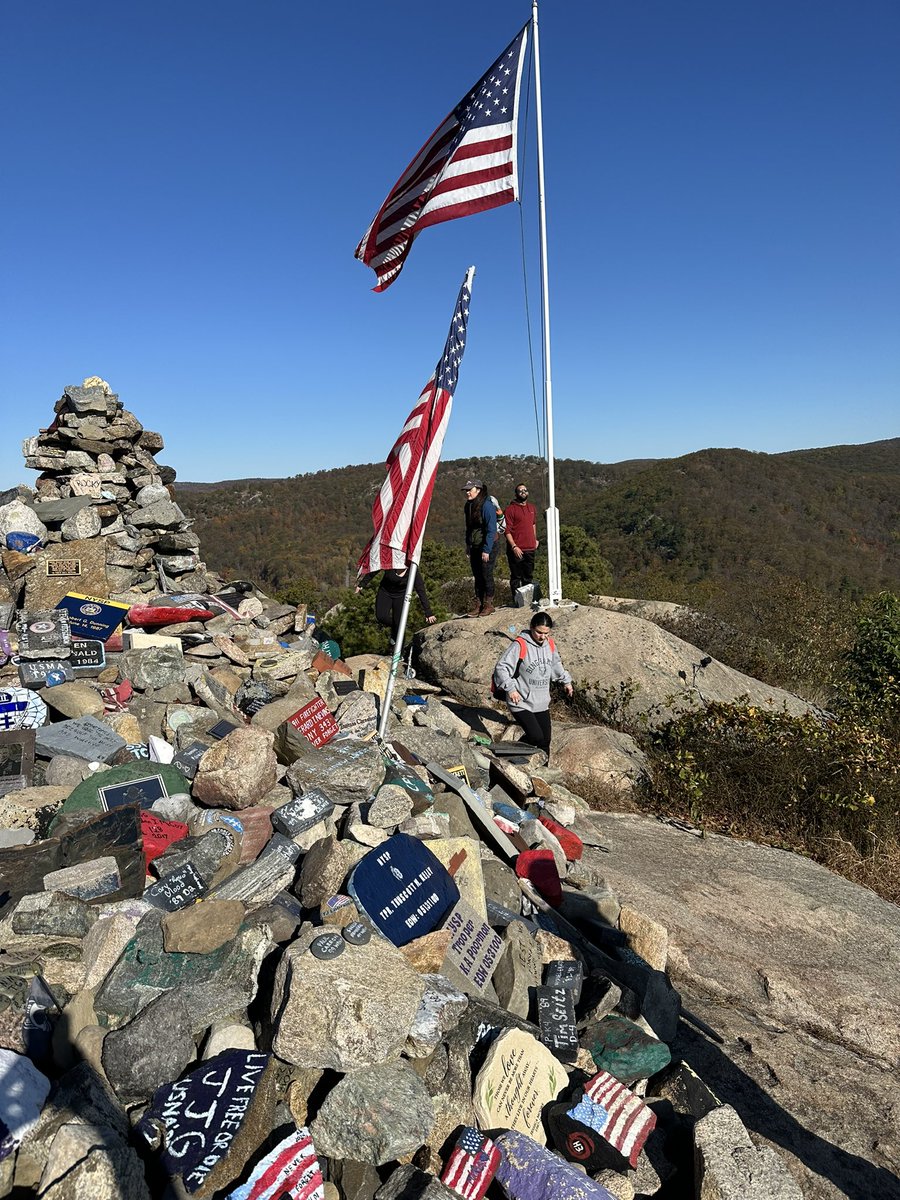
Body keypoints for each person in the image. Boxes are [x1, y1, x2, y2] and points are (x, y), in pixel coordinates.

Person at [492, 611, 573, 756]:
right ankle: (506, 755)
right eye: (539, 632)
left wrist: (566, 681)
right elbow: (501, 667)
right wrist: (511, 689)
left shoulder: (550, 645)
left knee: (545, 741)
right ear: (531, 627)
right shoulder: (520, 645)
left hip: (541, 701)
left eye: (546, 633)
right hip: (520, 700)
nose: (543, 637)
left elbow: (556, 664)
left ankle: (542, 771)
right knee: (536, 736)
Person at [356, 563, 436, 646]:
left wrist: (428, 612)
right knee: (381, 616)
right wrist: (362, 584)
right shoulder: (391, 563)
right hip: (385, 592)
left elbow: (421, 590)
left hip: (401, 596)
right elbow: (375, 569)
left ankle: (399, 653)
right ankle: (395, 628)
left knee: (400, 625)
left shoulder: (413, 570)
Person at [463, 479, 499, 617]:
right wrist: (468, 545)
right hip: (475, 545)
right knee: (477, 576)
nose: (467, 492)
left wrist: (487, 550)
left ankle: (488, 604)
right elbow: (469, 528)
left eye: (469, 490)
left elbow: (491, 529)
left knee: (486, 574)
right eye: (466, 490)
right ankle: (478, 605)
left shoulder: (487, 506)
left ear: (478, 490)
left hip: (488, 544)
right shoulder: (469, 506)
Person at [504, 482, 539, 601]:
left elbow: (533, 524)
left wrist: (535, 539)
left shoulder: (532, 508)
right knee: (516, 577)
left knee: (528, 576)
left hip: (530, 548)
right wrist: (514, 546)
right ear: (516, 494)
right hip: (516, 549)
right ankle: (516, 601)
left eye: (525, 490)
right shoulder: (510, 509)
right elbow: (506, 530)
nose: (523, 492)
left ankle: (528, 600)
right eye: (520, 491)